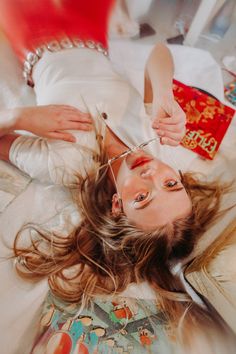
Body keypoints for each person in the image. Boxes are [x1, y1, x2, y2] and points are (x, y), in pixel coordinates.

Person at [0, 1, 235, 353]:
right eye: (172, 184)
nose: (152, 174)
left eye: (142, 197)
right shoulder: (158, 141)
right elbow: (158, 53)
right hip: (92, 27)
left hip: (36, 33)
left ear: (116, 206)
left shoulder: (66, 164)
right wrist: (163, 95)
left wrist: (22, 116)